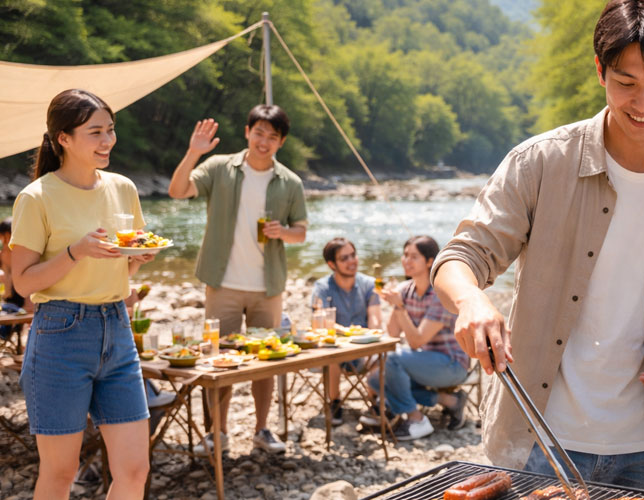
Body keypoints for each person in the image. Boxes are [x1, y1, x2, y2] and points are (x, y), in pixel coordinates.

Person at [431, 0, 644, 491]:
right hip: (536, 436)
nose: (643, 103)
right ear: (600, 71)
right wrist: (471, 301)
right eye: (627, 82)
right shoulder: (540, 162)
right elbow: (461, 256)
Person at [9, 89, 155, 499]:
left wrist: (135, 260)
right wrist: (76, 252)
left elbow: (121, 260)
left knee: (133, 469)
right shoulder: (36, 198)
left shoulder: (123, 188)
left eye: (110, 130)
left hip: (116, 328)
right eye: (95, 132)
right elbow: (22, 282)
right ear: (64, 139)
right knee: (60, 473)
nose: (107, 140)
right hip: (60, 334)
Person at [167, 105, 308, 455]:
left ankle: (262, 429)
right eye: (258, 133)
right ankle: (218, 433)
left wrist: (282, 232)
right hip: (222, 283)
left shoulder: (290, 182)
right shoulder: (219, 168)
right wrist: (194, 152)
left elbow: (301, 234)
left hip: (267, 287)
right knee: (218, 361)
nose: (264, 141)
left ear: (281, 142)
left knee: (267, 362)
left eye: (272, 137)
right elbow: (177, 190)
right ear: (247, 132)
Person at [365, 235, 469, 440]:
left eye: (414, 257)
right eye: (405, 255)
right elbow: (393, 334)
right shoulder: (405, 290)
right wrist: (397, 304)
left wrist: (399, 306)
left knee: (391, 359)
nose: (406, 260)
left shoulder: (441, 294)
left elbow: (416, 341)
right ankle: (450, 401)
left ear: (430, 261)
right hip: (423, 361)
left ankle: (416, 419)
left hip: (451, 364)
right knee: (376, 380)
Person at [311, 237, 382, 424]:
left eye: (353, 255)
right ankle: (334, 402)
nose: (352, 261)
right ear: (331, 264)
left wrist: (371, 337)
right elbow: (320, 323)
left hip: (362, 349)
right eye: (345, 258)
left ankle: (374, 402)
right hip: (334, 350)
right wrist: (345, 333)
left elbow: (375, 318)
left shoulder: (369, 284)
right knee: (331, 353)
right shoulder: (322, 287)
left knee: (381, 354)